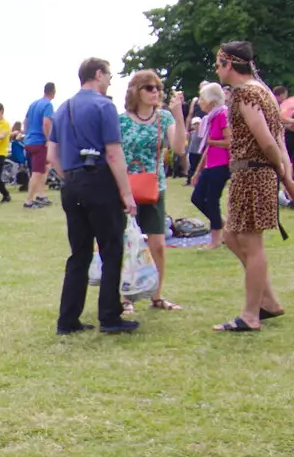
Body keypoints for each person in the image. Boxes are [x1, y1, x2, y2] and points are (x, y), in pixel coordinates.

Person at [213, 42, 294, 332]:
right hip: (253, 175)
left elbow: (267, 140)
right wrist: (287, 178)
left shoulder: (247, 94)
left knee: (252, 245)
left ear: (229, 64)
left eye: (218, 64)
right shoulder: (263, 91)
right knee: (231, 236)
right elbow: (279, 139)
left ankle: (251, 315)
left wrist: (285, 177)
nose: (217, 70)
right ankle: (268, 301)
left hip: (254, 175)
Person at [49, 57, 137, 335]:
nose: (110, 79)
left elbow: (52, 156)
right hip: (99, 181)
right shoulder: (104, 105)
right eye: (109, 75)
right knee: (111, 249)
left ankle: (68, 319)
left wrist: (71, 178)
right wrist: (126, 193)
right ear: (98, 74)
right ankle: (110, 315)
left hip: (71, 183)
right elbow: (113, 152)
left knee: (79, 253)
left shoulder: (63, 109)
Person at [118, 70, 187, 311]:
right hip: (125, 188)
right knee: (127, 244)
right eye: (149, 87)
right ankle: (126, 297)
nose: (155, 91)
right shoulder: (121, 120)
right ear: (136, 90)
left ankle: (157, 296)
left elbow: (179, 149)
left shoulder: (164, 118)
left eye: (157, 87)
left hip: (154, 187)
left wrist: (179, 117)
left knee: (157, 243)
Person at [189, 83, 231, 250]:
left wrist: (210, 141)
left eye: (202, 99)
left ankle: (216, 239)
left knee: (212, 199)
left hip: (222, 164)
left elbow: (229, 141)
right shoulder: (210, 118)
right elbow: (207, 148)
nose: (200, 102)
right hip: (211, 164)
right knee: (197, 198)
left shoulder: (222, 114)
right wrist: (198, 171)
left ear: (211, 100)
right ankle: (222, 223)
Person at [24, 83, 57, 207]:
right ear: (53, 92)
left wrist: (27, 134)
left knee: (45, 167)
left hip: (30, 141)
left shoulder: (33, 104)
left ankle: (41, 194)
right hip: (39, 142)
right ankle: (29, 200)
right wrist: (49, 139)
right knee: (37, 172)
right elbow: (46, 123)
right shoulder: (48, 105)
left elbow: (25, 121)